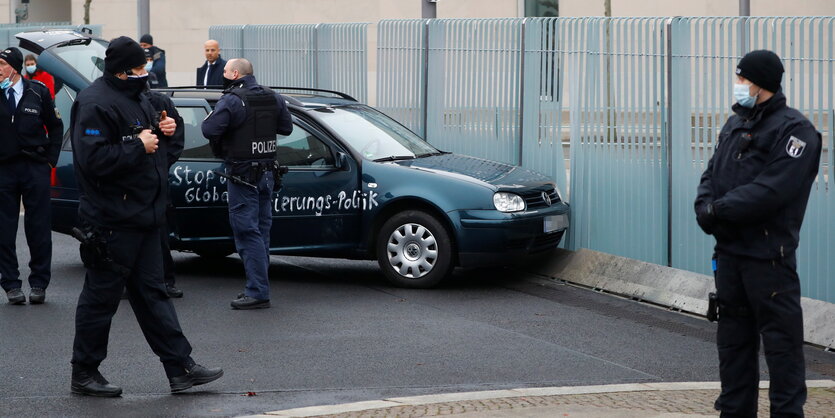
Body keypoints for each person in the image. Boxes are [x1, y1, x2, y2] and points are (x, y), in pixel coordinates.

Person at [69, 36, 221, 397]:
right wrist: (138, 145)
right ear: (122, 72)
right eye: (139, 68)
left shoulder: (139, 97)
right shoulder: (94, 102)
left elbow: (157, 144)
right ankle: (84, 373)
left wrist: (165, 133)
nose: (145, 73)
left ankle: (180, 368)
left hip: (146, 216)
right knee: (101, 298)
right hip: (111, 221)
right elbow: (92, 161)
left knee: (154, 294)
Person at [695, 50, 821, 417]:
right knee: (733, 350)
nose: (737, 85)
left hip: (769, 262)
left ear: (759, 83)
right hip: (731, 259)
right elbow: (711, 175)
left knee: (782, 353)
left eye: (742, 79)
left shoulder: (794, 131)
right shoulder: (734, 125)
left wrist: (718, 210)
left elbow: (771, 191)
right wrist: (705, 206)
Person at [201, 58, 292, 310]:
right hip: (267, 174)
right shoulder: (273, 96)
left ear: (236, 73)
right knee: (261, 231)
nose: (224, 74)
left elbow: (208, 129)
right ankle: (260, 287)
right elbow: (286, 127)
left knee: (246, 231)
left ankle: (258, 291)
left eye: (226, 71)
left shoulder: (232, 99)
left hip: (243, 176)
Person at [0, 47, 63, 305]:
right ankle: (11, 284)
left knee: (38, 226)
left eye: (1, 64)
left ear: (14, 67)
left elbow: (56, 126)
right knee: (4, 229)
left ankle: (39, 282)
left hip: (34, 167)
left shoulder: (38, 91)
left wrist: (50, 160)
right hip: (4, 170)